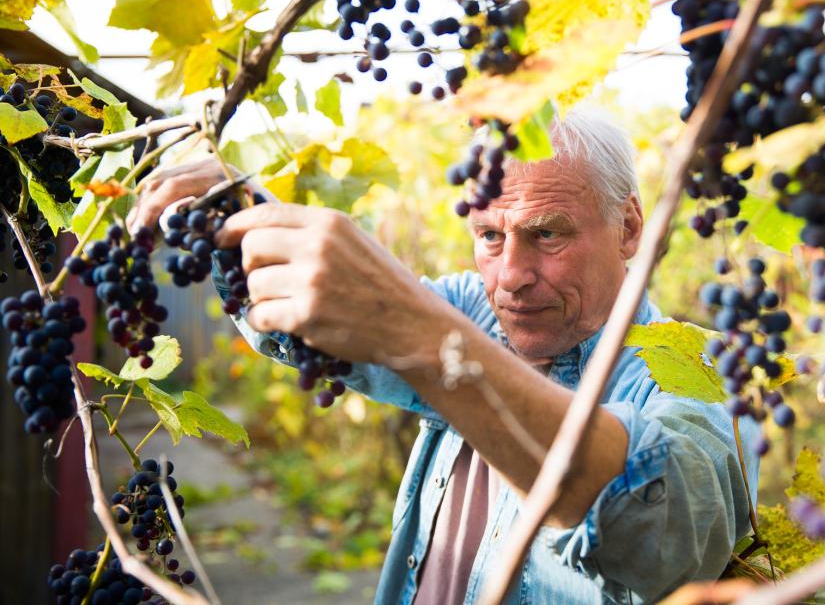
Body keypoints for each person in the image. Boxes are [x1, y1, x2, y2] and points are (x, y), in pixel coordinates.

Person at [129, 107, 760, 604]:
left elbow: (672, 539)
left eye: (547, 233)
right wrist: (238, 209)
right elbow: (320, 321)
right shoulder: (474, 310)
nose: (511, 277)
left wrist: (432, 343)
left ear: (629, 228)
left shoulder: (701, 372)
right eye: (489, 235)